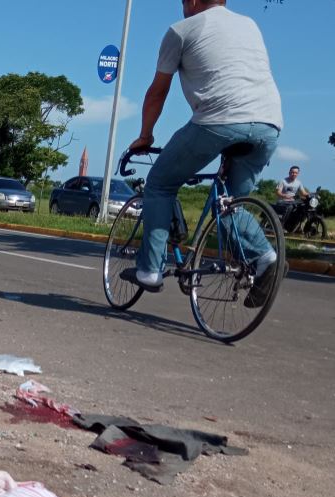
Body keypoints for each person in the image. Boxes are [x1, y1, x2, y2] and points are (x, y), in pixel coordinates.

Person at [120, 0, 283, 308]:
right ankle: (266, 257)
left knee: (160, 183)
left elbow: (158, 91)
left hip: (218, 122)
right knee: (229, 206)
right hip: (269, 124)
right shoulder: (250, 25)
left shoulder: (180, 31)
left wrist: (145, 136)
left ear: (193, 1)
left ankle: (149, 271)